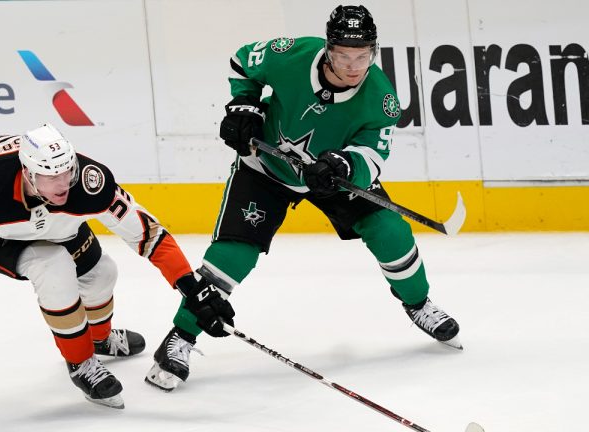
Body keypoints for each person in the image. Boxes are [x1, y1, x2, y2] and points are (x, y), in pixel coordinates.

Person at [145, 4, 461, 392]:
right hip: (264, 168)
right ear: (328, 50)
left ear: (374, 52)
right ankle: (181, 336)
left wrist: (345, 165)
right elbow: (242, 62)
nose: (353, 67)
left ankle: (418, 303)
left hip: (330, 177)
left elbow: (373, 155)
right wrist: (244, 105)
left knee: (390, 230)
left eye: (362, 56)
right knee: (232, 255)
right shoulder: (290, 54)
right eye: (343, 56)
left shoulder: (382, 99)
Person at [0, 123, 200, 409]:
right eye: (51, 176)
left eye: (67, 171)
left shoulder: (88, 181)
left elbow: (148, 234)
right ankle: (81, 362)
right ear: (28, 173)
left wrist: (189, 285)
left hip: (52, 222)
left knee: (102, 273)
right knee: (54, 268)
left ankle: (99, 339)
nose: (63, 184)